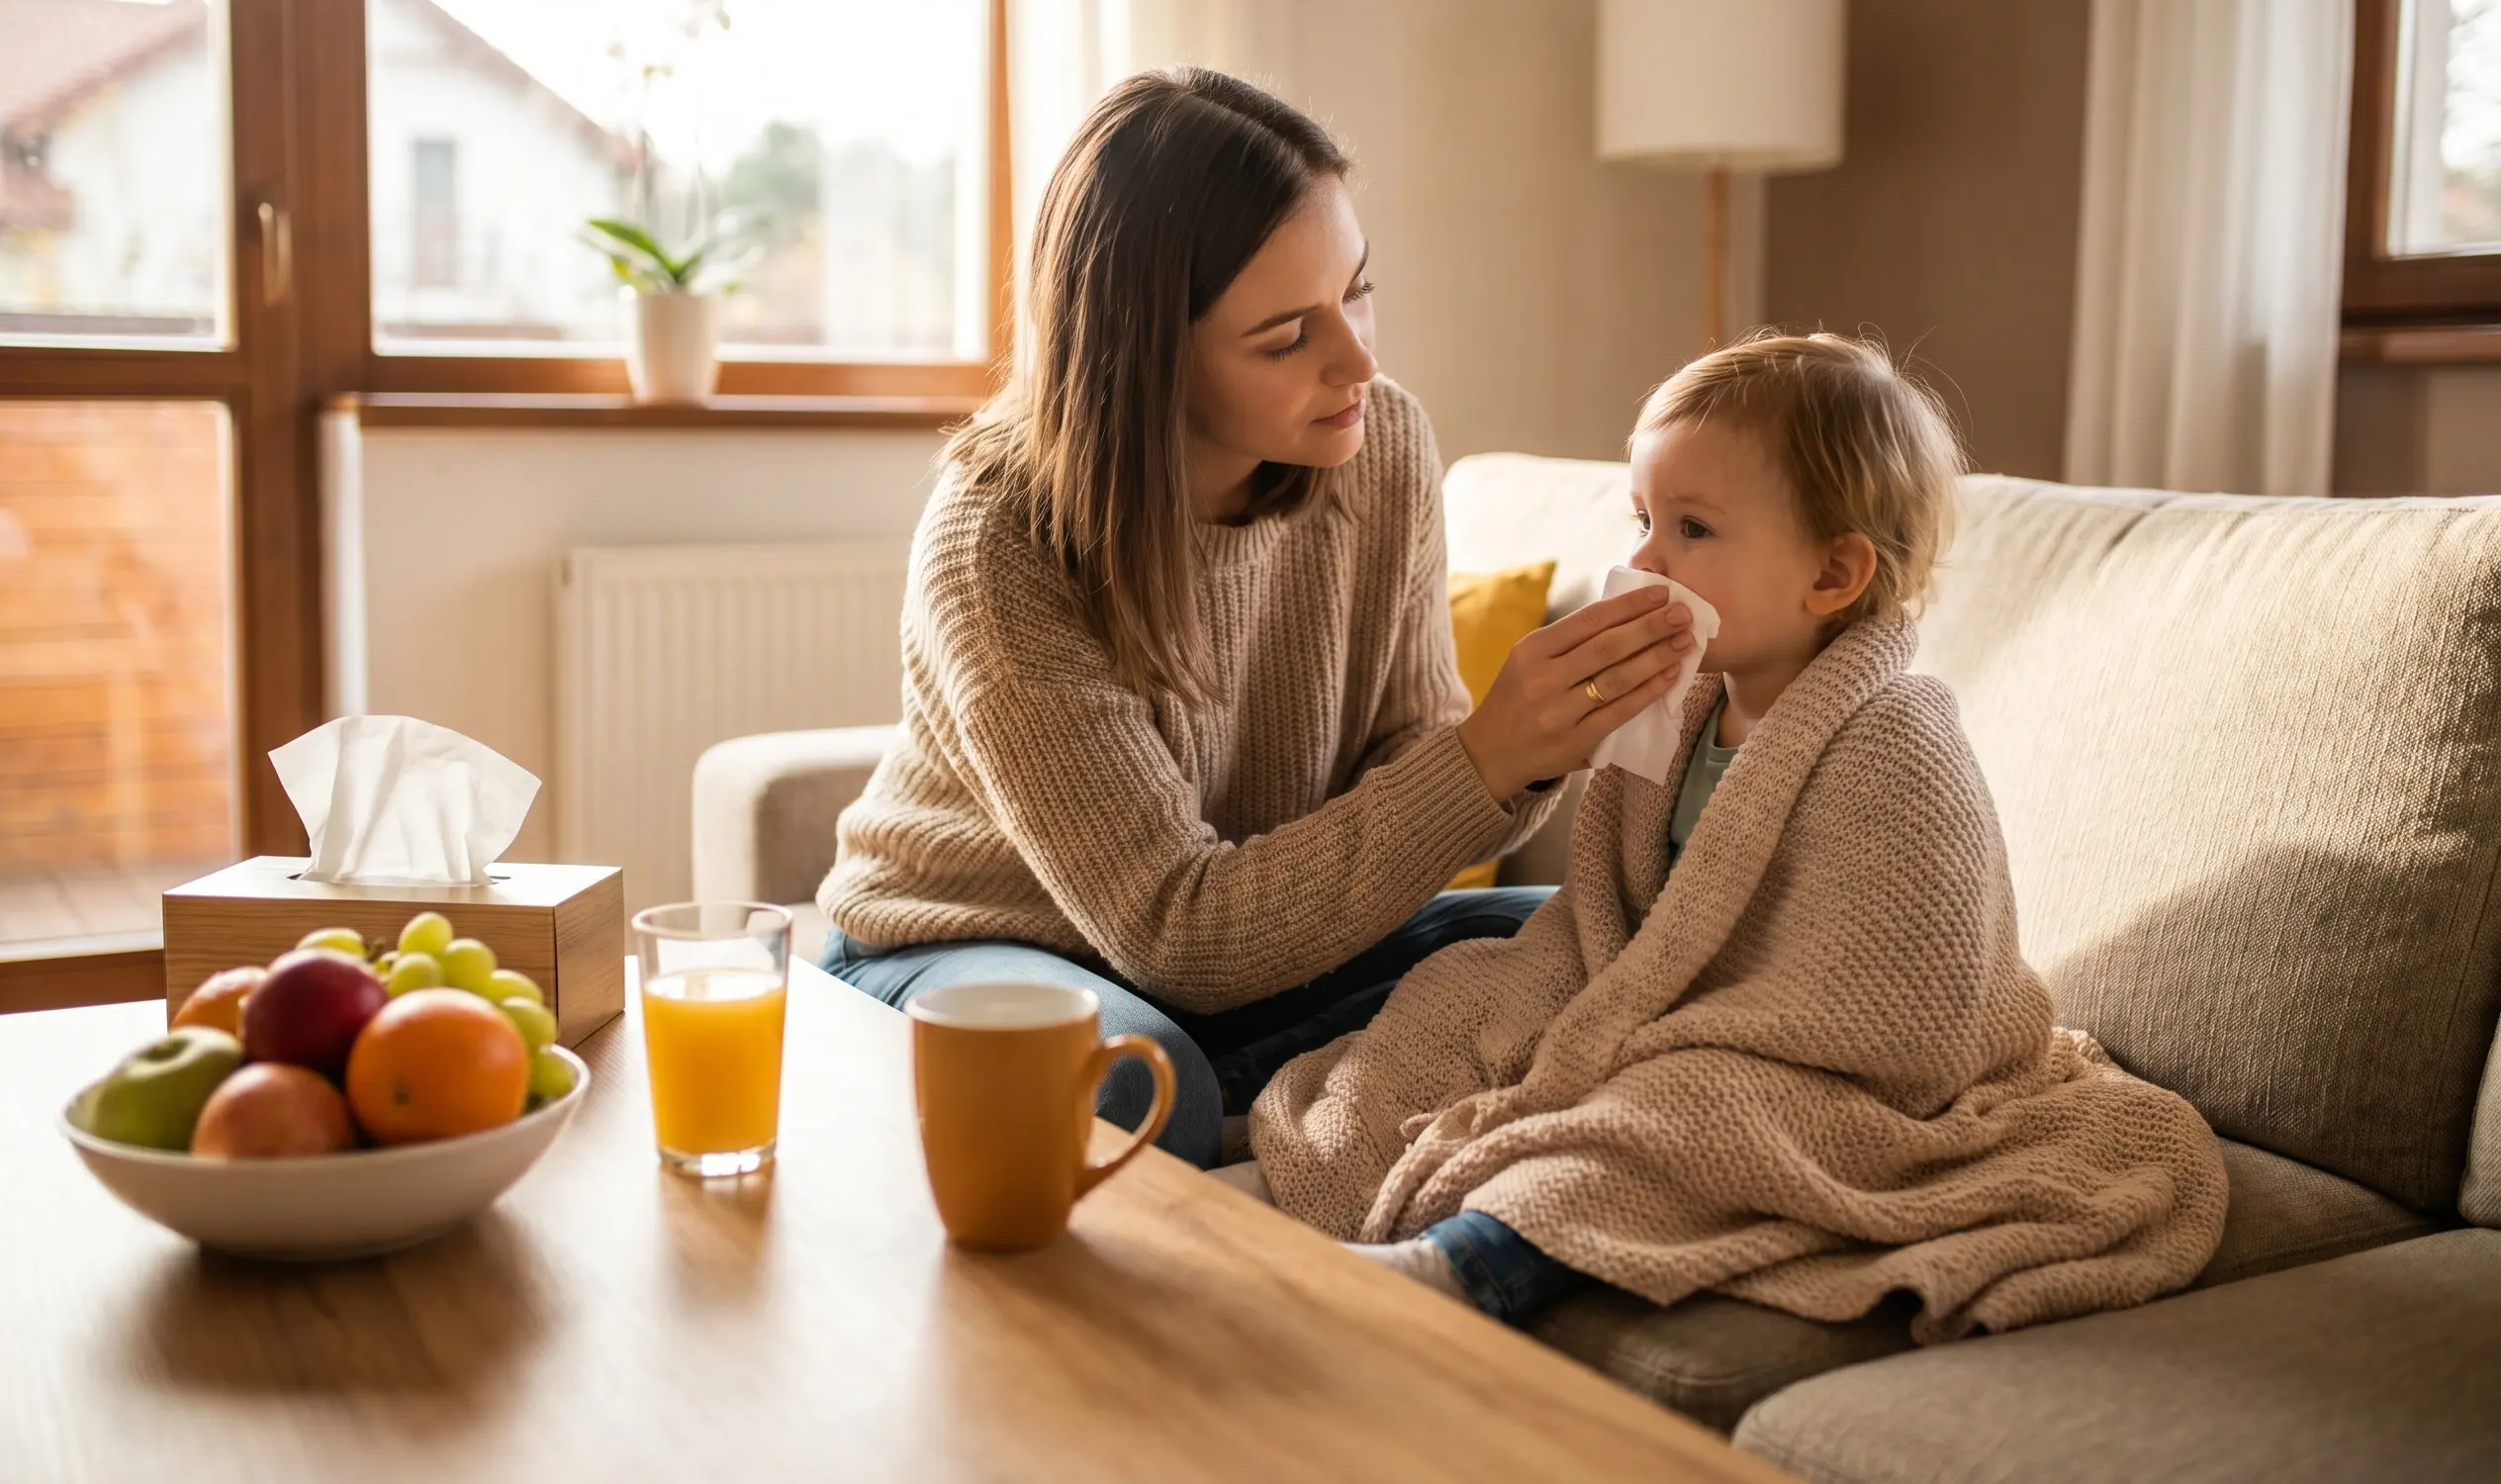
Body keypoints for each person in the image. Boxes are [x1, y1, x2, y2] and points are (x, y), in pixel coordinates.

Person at [1251, 332, 2227, 1341]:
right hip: (1672, 1011)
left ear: (1832, 573)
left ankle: (1466, 1264)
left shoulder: (1895, 740)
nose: (1640, 561)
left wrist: (1655, 1040)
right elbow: (1615, 917)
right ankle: (1303, 1178)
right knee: (1460, 986)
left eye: (1690, 528)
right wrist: (1598, 997)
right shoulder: (1679, 708)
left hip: (1815, 1069)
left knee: (1678, 1112)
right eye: (1641, 520)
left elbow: (1914, 1013)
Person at [819, 68, 1697, 1167]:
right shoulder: (1001, 541)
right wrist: (1482, 757)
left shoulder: (1382, 448)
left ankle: (1283, 1079)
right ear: (1145, 356)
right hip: (976, 950)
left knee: (1607, 946)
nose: (1359, 360)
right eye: (1287, 336)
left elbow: (1406, 768)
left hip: (1258, 961)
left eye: (1359, 290)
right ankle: (1288, 1082)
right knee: (1136, 1080)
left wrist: (1527, 749)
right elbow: (1173, 928)